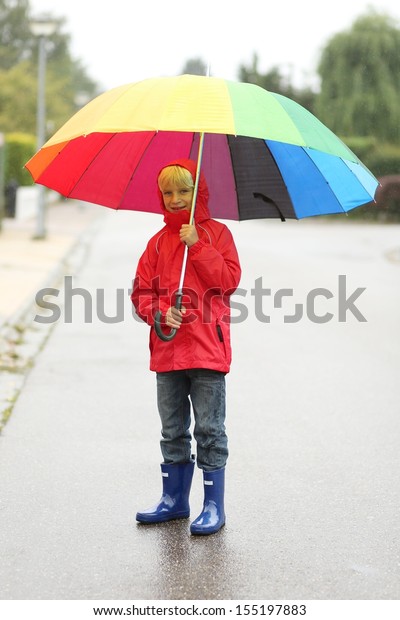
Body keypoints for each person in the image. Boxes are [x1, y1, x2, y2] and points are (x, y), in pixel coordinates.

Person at [131, 158, 241, 535]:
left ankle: (214, 506)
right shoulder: (158, 243)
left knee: (210, 429)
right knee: (172, 430)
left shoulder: (217, 235)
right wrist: (160, 313)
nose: (175, 198)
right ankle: (174, 500)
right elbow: (141, 292)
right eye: (168, 192)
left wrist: (198, 246)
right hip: (168, 352)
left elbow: (227, 282)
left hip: (208, 350)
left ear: (198, 193)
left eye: (183, 190)